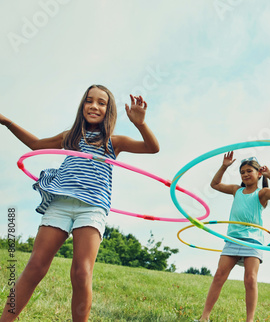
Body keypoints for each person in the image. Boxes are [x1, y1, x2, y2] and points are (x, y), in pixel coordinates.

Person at [0, 84, 160, 322]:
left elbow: (152, 148)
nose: (94, 106)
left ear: (109, 110)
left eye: (101, 103)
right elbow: (35, 145)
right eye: (89, 100)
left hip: (92, 207)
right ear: (82, 105)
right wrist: (6, 121)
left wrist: (140, 123)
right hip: (61, 203)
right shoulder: (71, 137)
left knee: (82, 272)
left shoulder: (114, 142)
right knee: (35, 265)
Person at [199, 152, 270, 322]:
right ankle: (204, 317)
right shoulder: (236, 190)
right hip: (233, 239)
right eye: (242, 172)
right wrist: (224, 166)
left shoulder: (263, 193)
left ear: (258, 174)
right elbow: (215, 184)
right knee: (219, 275)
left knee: (250, 279)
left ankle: (249, 320)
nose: (246, 174)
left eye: (249, 171)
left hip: (253, 241)